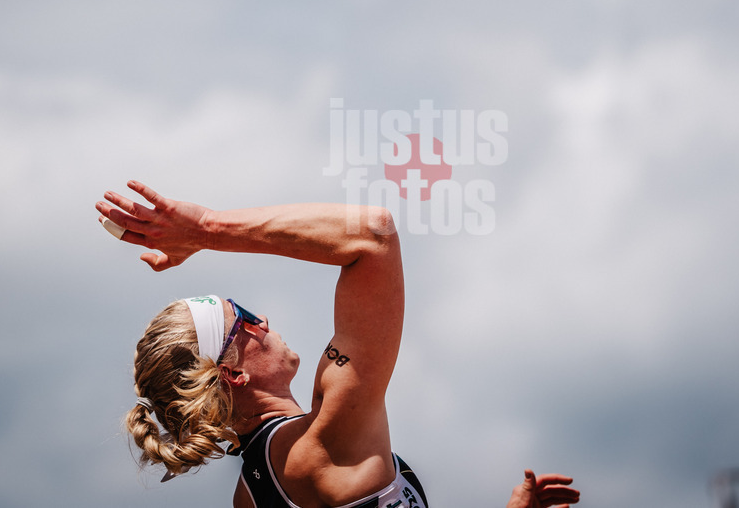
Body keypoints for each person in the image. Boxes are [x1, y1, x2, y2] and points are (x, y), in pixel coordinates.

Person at [96, 180, 580, 508]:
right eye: (243, 319)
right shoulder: (320, 440)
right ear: (232, 374)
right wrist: (208, 229)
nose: (263, 319)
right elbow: (373, 237)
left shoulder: (252, 493)